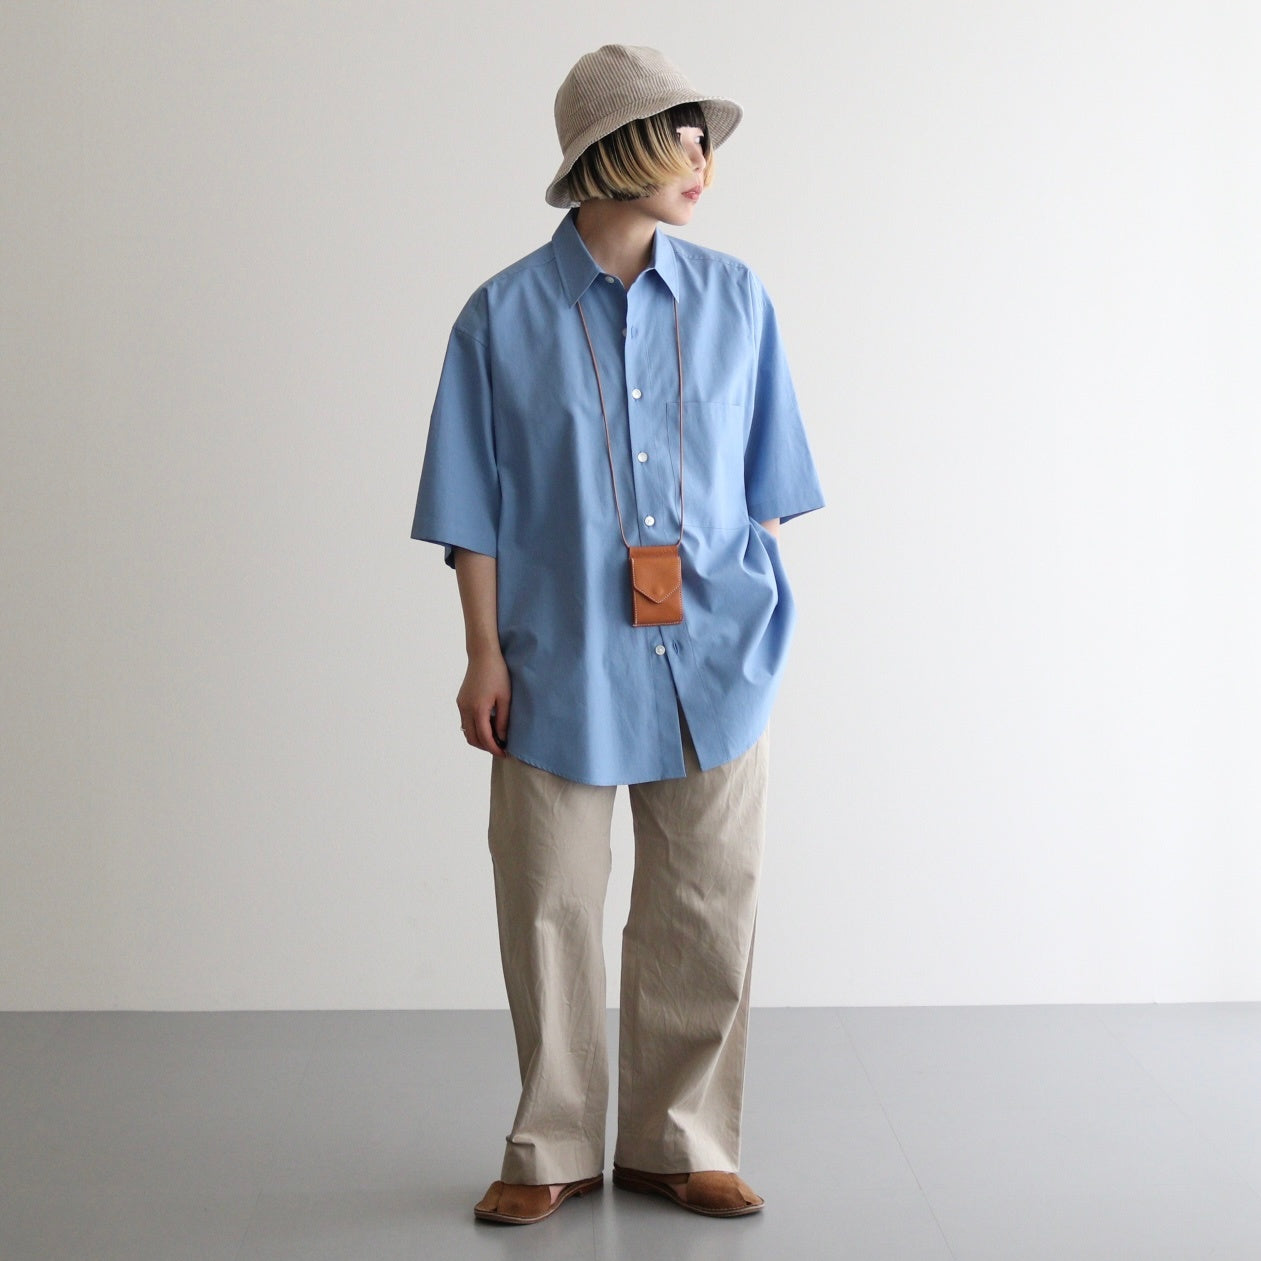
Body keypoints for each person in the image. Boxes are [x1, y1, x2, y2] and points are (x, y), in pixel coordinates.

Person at [411, 43, 825, 1225]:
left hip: (714, 657)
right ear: (615, 148)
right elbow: (472, 508)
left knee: (707, 900)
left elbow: (767, 487)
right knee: (547, 902)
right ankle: (549, 1145)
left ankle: (675, 1139)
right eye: (681, 136)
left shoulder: (739, 300)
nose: (702, 161)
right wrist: (482, 652)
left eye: (704, 140)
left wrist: (749, 611)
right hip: (557, 661)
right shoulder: (499, 317)